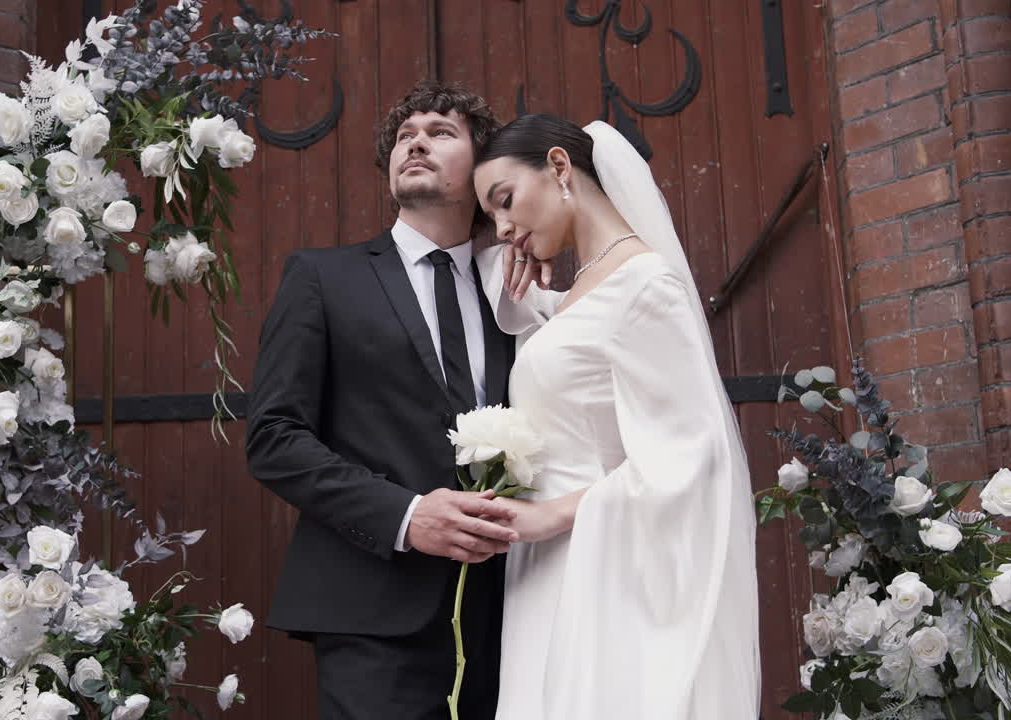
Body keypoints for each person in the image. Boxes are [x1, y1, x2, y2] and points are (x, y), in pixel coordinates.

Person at [471, 114, 762, 719]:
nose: (501, 229)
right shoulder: (583, 292)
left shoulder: (646, 286)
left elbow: (689, 454)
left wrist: (549, 514)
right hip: (549, 574)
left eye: (505, 202)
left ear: (558, 167)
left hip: (599, 575)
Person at [244, 81, 518, 720]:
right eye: (404, 136)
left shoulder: (515, 290)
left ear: (484, 167)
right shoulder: (322, 277)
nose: (416, 141)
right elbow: (275, 437)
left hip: (512, 615)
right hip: (372, 612)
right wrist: (405, 515)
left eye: (442, 133)